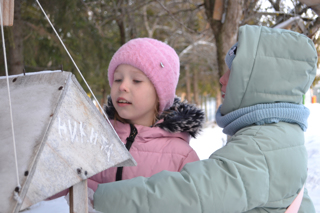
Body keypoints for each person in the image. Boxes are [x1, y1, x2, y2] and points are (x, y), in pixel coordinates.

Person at [93, 25, 317, 212]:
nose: (221, 79)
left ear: (261, 82)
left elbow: (191, 194)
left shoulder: (262, 147)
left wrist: (99, 199)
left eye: (233, 72)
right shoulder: (274, 136)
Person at [87, 37, 204, 191]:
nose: (122, 86)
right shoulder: (94, 140)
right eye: (117, 79)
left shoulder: (181, 157)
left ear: (160, 93)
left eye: (136, 80)